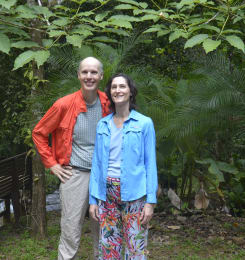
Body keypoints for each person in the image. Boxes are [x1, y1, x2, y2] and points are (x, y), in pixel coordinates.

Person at [32, 57, 110, 260]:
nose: (89, 76)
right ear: (78, 75)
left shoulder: (109, 103)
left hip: (105, 175)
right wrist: (52, 164)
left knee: (104, 231)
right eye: (85, 72)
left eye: (94, 72)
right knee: (71, 230)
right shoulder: (64, 104)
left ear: (101, 76)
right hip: (74, 175)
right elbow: (39, 133)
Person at [89, 73, 158, 259]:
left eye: (122, 86)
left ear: (130, 92)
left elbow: (150, 164)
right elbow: (96, 164)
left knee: (135, 247)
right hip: (107, 194)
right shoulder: (102, 125)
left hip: (135, 194)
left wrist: (150, 202)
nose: (117, 90)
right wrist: (93, 200)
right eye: (113, 87)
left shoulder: (144, 124)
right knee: (109, 247)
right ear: (109, 93)